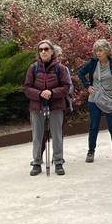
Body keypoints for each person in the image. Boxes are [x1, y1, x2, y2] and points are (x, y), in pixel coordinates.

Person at [77, 39, 112, 164]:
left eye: (100, 50)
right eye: (96, 51)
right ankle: (91, 151)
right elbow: (80, 73)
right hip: (94, 98)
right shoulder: (92, 63)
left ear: (107, 51)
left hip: (111, 99)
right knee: (93, 126)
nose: (98, 53)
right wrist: (87, 86)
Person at [23, 39, 73, 176]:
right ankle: (36, 163)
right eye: (41, 50)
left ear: (52, 51)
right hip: (37, 107)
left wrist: (51, 92)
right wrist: (39, 94)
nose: (43, 52)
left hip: (56, 106)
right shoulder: (33, 68)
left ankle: (58, 162)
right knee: (37, 136)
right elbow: (26, 88)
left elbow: (67, 87)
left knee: (57, 135)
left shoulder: (60, 68)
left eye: (46, 49)